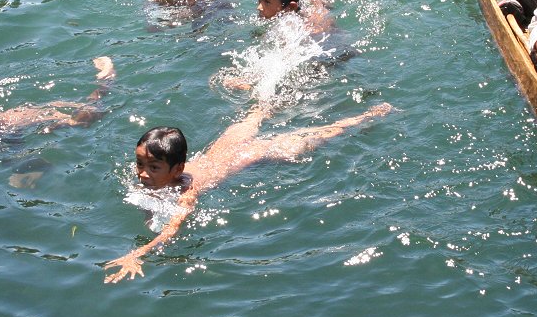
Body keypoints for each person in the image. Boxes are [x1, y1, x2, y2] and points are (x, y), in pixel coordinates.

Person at [104, 101, 393, 283]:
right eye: (139, 163)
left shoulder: (187, 192)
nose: (142, 173)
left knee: (316, 138)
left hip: (251, 155)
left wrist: (138, 254)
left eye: (153, 167)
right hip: (227, 144)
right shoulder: (156, 179)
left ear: (178, 169)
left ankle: (367, 116)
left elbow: (171, 230)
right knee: (258, 107)